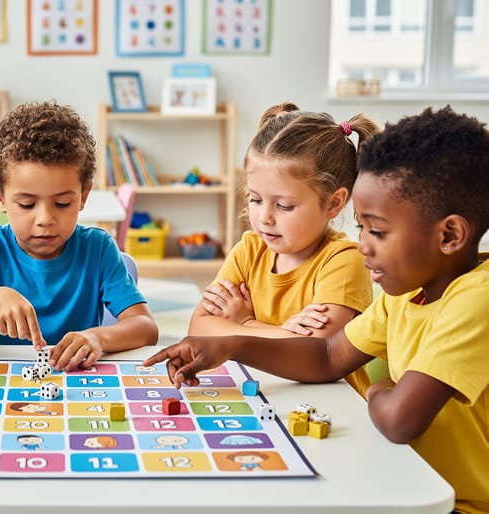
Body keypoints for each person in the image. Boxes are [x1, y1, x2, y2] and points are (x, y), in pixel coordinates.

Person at [144, 106, 489, 513]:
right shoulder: (405, 294)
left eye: (377, 231)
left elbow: (398, 419)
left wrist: (378, 392)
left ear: (449, 234)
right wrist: (230, 346)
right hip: (396, 480)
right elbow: (328, 356)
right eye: (361, 228)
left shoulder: (476, 299)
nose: (362, 246)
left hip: (454, 502)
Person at [0, 101, 158, 370]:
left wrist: (98, 337)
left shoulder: (98, 249)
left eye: (63, 203)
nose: (45, 220)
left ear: (83, 196)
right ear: (0, 197)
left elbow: (146, 327)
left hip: (77, 382)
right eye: (27, 204)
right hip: (1, 384)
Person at [188, 102, 379, 395]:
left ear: (333, 203)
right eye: (254, 199)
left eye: (284, 205)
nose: (264, 217)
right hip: (263, 391)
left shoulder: (344, 261)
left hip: (329, 404)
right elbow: (199, 330)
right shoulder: (249, 249)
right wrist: (285, 333)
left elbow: (317, 353)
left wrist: (244, 323)